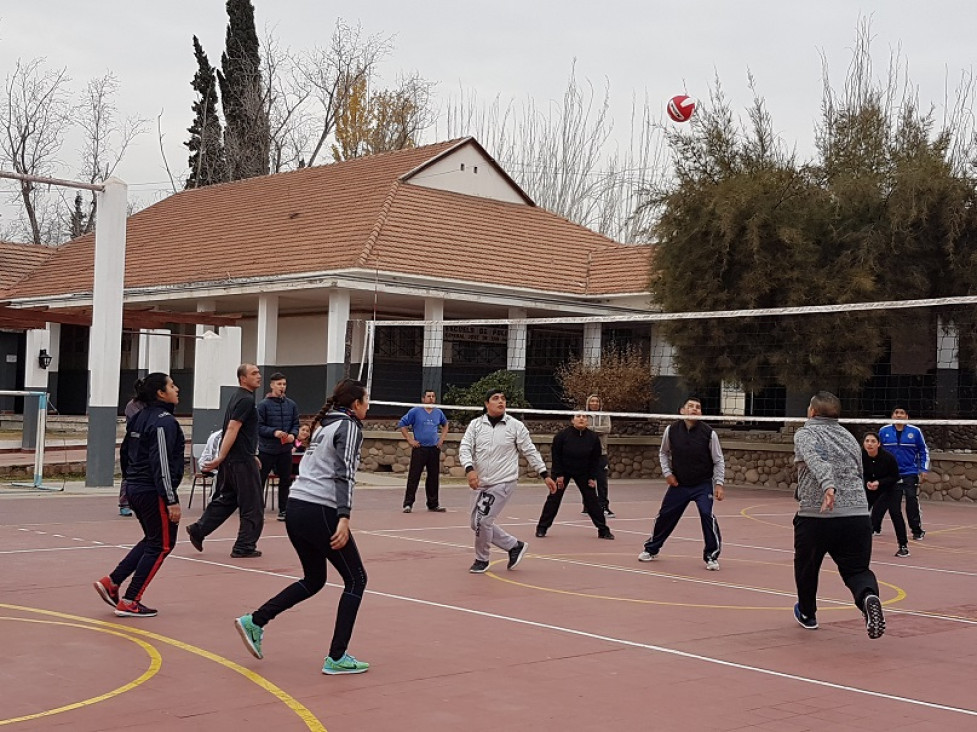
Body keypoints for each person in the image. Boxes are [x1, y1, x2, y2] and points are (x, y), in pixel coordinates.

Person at [234, 379, 371, 675]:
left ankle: (255, 620)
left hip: (297, 507)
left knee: (314, 579)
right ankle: (337, 656)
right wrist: (344, 517)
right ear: (356, 404)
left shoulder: (326, 425)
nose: (368, 405)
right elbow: (344, 474)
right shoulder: (348, 428)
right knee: (357, 579)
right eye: (366, 400)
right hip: (318, 509)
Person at [792, 391, 885, 639]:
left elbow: (817, 460)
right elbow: (858, 472)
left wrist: (828, 487)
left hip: (817, 516)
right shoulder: (850, 437)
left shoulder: (805, 433)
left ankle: (807, 614)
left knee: (807, 568)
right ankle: (868, 597)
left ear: (812, 412)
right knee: (857, 570)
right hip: (856, 517)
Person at [93, 373, 184, 617]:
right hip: (152, 490)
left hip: (135, 486)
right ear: (160, 393)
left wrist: (129, 480)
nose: (177, 389)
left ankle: (112, 581)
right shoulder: (164, 422)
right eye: (172, 386)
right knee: (163, 544)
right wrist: (171, 499)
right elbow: (161, 462)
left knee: (152, 539)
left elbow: (125, 453)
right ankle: (131, 599)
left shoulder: (139, 417)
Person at [459, 389, 558, 573]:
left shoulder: (515, 426)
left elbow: (529, 450)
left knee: (483, 521)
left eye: (503, 399)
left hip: (503, 482)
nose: (500, 401)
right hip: (480, 482)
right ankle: (514, 546)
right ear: (486, 404)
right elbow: (465, 447)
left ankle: (482, 559)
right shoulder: (475, 425)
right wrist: (469, 469)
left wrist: (544, 474)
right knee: (476, 523)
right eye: (495, 398)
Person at [186, 363, 264, 558]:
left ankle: (199, 529)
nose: (259, 376)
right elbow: (232, 428)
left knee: (228, 499)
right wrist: (220, 457)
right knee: (252, 505)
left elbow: (241, 432)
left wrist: (249, 455)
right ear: (242, 378)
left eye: (258, 373)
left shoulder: (239, 397)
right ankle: (244, 546)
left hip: (236, 459)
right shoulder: (245, 400)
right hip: (239, 461)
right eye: (254, 373)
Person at [638, 396, 725, 570]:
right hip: (680, 484)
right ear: (682, 411)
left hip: (702, 484)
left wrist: (719, 484)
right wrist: (667, 473)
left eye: (698, 407)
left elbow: (718, 460)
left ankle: (711, 556)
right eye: (691, 406)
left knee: (706, 514)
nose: (694, 409)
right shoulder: (671, 430)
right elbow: (663, 453)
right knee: (665, 515)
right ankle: (652, 548)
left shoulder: (709, 433)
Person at [536, 412, 613, 539]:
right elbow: (556, 455)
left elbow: (595, 459)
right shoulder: (562, 436)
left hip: (584, 472)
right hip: (563, 471)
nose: (581, 419)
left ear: (587, 421)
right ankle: (542, 528)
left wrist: (592, 477)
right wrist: (559, 474)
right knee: (554, 499)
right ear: (572, 420)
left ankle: (603, 530)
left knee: (592, 500)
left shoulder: (593, 437)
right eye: (578, 416)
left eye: (584, 417)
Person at [879, 406, 929, 541]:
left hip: (909, 472)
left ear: (907, 416)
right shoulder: (884, 431)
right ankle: (874, 526)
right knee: (884, 499)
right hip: (890, 473)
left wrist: (923, 469)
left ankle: (916, 530)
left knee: (911, 498)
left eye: (902, 413)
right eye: (896, 413)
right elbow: (878, 452)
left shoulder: (915, 432)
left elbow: (923, 451)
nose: (899, 415)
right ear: (892, 416)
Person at [257, 372, 300, 522]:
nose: (282, 387)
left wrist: (293, 435)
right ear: (272, 385)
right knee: (260, 480)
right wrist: (274, 432)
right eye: (279, 384)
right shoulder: (263, 405)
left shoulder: (291, 405)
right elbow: (259, 426)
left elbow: (296, 424)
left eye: (284, 384)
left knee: (285, 480)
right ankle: (257, 510)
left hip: (285, 450)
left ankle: (284, 509)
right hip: (267, 449)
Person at [398, 389, 449, 513]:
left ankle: (433, 504)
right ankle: (408, 504)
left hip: (433, 449)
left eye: (433, 396)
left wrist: (441, 439)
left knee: (433, 477)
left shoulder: (438, 412)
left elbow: (445, 424)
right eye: (428, 396)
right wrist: (410, 440)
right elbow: (402, 424)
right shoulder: (415, 411)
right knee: (414, 476)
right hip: (419, 449)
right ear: (423, 399)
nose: (431, 398)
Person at [861, 431, 909, 557]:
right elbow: (861, 473)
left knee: (894, 512)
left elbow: (894, 476)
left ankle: (903, 546)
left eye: (873, 441)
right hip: (871, 487)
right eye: (867, 441)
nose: (869, 444)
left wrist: (879, 482)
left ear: (879, 444)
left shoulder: (888, 457)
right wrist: (867, 483)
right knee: (861, 513)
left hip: (892, 487)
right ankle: (857, 545)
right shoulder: (861, 456)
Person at [117, 383, 146, 516]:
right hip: (133, 442)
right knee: (129, 474)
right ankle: (124, 503)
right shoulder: (132, 406)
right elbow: (140, 422)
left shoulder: (153, 405)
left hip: (149, 443)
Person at [586, 394, 614, 517]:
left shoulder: (605, 415)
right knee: (586, 480)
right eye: (592, 401)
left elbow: (607, 429)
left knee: (602, 481)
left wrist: (591, 429)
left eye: (596, 401)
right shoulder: (584, 416)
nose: (594, 403)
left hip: (601, 454)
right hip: (586, 453)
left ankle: (603, 506)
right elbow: (582, 428)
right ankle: (587, 506)